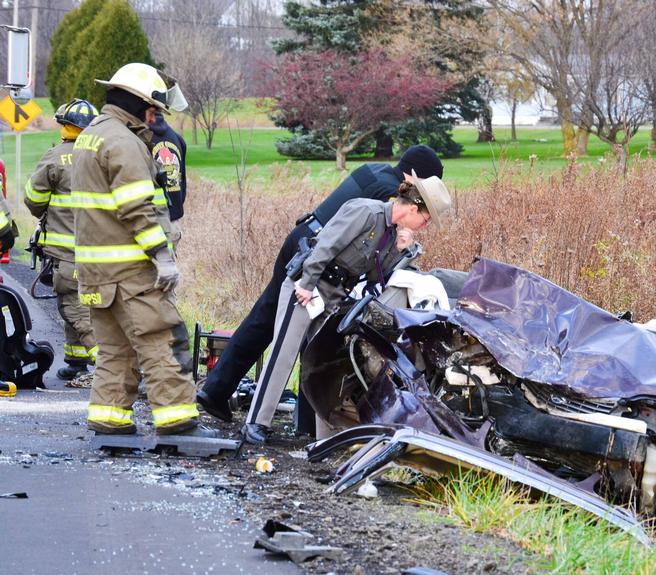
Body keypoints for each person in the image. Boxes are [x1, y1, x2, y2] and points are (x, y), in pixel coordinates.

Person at [197, 145, 444, 422]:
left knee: (265, 318)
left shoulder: (374, 171)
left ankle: (216, 389)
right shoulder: (387, 194)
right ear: (412, 178)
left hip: (304, 236)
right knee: (309, 340)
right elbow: (375, 248)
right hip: (316, 256)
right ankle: (302, 421)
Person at [241, 173, 453, 446]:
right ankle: (256, 423)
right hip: (310, 285)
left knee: (322, 362)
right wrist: (306, 283)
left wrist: (401, 250)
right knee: (284, 351)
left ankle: (325, 437)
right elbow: (326, 245)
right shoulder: (365, 211)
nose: (423, 227)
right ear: (413, 209)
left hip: (334, 297)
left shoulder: (391, 234)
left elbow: (378, 278)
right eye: (425, 220)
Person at [70, 62, 209, 436]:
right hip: (131, 271)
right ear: (133, 101)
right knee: (162, 339)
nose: (154, 118)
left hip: (96, 273)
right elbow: (136, 209)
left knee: (115, 348)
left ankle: (109, 417)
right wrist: (162, 258)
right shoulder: (123, 143)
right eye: (151, 109)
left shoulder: (92, 135)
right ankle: (177, 420)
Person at [24, 99, 100, 381]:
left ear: (66, 126)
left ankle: (110, 368)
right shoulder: (102, 156)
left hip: (68, 251)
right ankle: (76, 361)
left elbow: (33, 199)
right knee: (87, 303)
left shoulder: (56, 157)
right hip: (104, 251)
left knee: (74, 306)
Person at [149, 111, 186, 246]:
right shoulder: (176, 137)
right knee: (169, 265)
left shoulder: (139, 139)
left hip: (151, 224)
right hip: (173, 223)